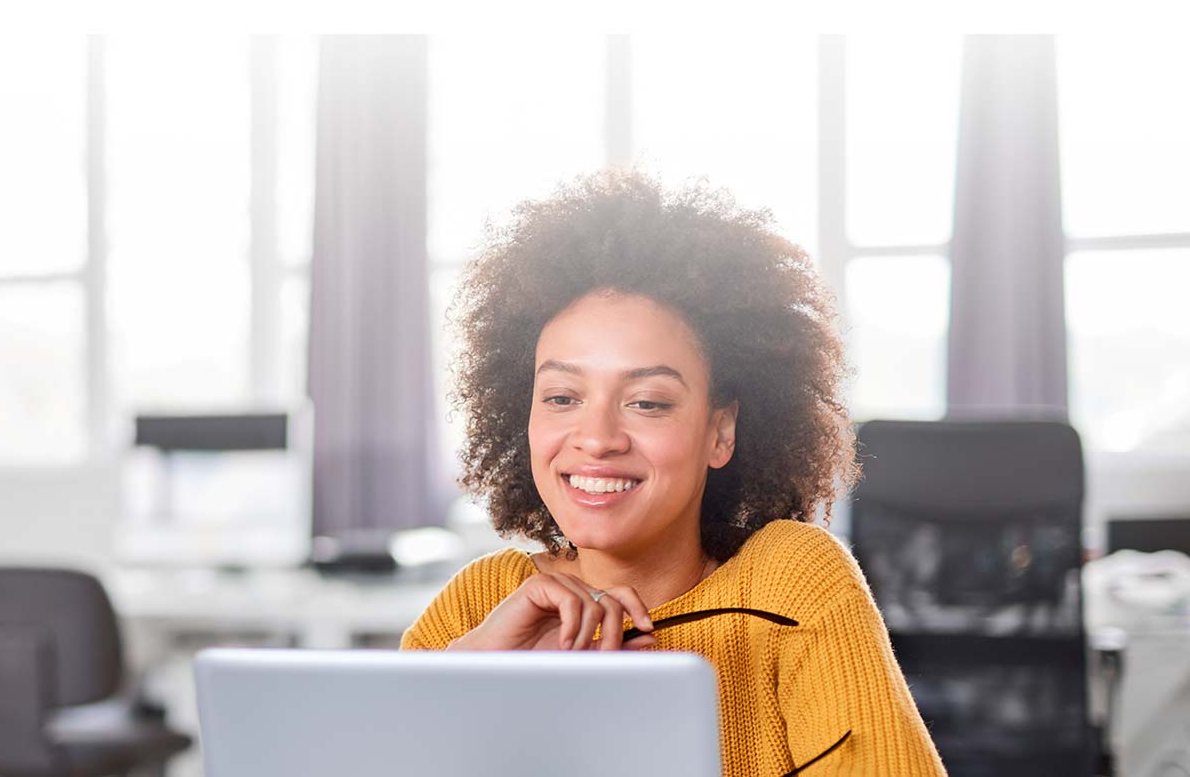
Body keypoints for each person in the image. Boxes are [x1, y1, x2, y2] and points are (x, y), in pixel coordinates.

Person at [401, 169, 945, 776]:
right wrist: (463, 685)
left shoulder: (791, 586)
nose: (598, 439)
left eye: (648, 402)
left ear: (720, 432)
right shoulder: (479, 607)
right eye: (561, 397)